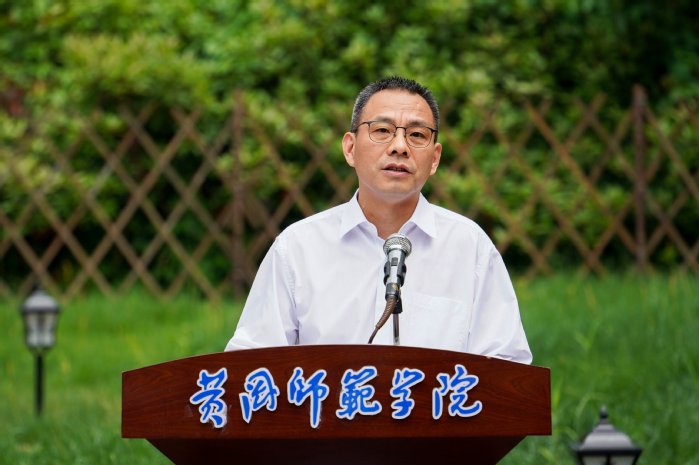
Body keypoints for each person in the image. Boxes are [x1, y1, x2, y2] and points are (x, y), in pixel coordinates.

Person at [225, 76, 532, 364]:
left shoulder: (469, 247)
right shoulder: (298, 248)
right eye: (382, 130)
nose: (400, 147)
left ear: (435, 158)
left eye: (417, 135)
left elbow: (506, 367)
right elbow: (249, 367)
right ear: (350, 148)